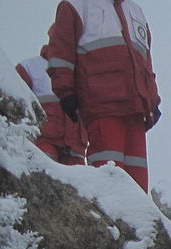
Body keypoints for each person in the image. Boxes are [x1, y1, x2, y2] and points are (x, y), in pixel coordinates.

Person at [46, 0, 161, 192]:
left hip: (137, 109)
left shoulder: (135, 12)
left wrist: (153, 100)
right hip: (101, 103)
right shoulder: (76, 5)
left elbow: (146, 62)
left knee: (137, 180)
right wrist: (65, 91)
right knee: (108, 174)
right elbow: (61, 53)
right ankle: (109, 219)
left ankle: (137, 220)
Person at [15, 42, 88, 165]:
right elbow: (15, 110)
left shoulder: (82, 71)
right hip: (41, 144)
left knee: (75, 183)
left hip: (75, 149)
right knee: (42, 179)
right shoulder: (29, 67)